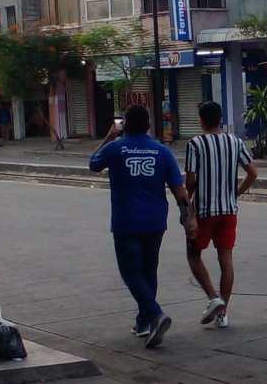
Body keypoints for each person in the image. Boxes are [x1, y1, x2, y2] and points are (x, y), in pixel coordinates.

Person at [89, 105, 195, 348]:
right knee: (148, 270)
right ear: (148, 124)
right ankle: (145, 321)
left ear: (124, 124)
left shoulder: (115, 148)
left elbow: (93, 164)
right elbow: (179, 190)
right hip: (155, 221)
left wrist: (108, 136)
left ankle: (156, 314)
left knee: (130, 272)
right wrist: (187, 217)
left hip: (127, 222)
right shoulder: (162, 151)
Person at [185, 101, 258, 329]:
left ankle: (212, 298)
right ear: (220, 119)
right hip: (228, 211)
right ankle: (223, 313)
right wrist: (236, 193)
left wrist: (190, 213)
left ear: (201, 120)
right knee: (226, 260)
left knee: (193, 255)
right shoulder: (234, 141)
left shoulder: (195, 144)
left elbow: (190, 182)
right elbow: (252, 173)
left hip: (205, 211)